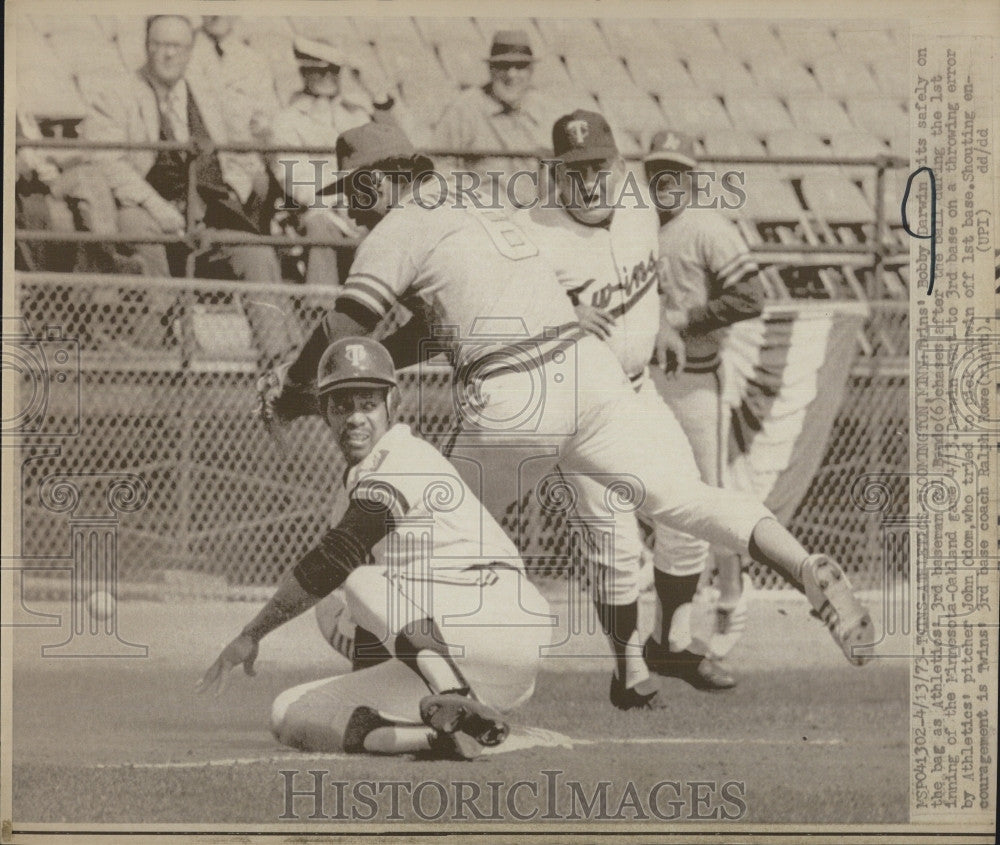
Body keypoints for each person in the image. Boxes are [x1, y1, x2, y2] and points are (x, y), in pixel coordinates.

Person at [259, 122, 874, 710]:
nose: (352, 208)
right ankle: (804, 567)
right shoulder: (475, 196)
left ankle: (393, 688)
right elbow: (432, 329)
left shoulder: (397, 227)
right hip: (589, 371)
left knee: (400, 535)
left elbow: (346, 327)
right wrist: (334, 379)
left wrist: (292, 391)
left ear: (379, 182)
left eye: (354, 192)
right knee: (685, 500)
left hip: (515, 392)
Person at [199, 337, 551, 760]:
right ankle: (456, 732)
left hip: (495, 612)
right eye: (341, 406)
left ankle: (453, 694)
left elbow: (339, 555)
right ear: (326, 415)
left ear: (392, 406)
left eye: (367, 403)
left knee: (357, 580)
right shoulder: (352, 489)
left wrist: (251, 634)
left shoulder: (401, 454)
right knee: (289, 714)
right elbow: (368, 622)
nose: (354, 418)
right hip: (464, 652)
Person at [520, 110, 737, 692]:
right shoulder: (532, 234)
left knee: (686, 517)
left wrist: (663, 322)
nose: (587, 181)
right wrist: (555, 317)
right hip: (582, 406)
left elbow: (651, 278)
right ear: (553, 173)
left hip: (640, 391)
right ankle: (628, 671)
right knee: (615, 545)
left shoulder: (640, 205)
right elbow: (496, 314)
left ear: (617, 165)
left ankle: (672, 644)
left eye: (597, 166)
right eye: (573, 170)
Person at [644, 130, 767, 682]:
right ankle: (671, 616)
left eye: (676, 173)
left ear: (692, 179)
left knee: (710, 493)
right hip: (648, 380)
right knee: (653, 493)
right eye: (658, 172)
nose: (666, 183)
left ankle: (733, 595)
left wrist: (686, 320)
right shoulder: (635, 229)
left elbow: (750, 296)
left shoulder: (709, 227)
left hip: (697, 380)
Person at [85, 15, 280, 282]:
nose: (168, 55)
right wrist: (156, 206)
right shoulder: (116, 95)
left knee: (257, 255)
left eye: (177, 47)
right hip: (146, 211)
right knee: (137, 232)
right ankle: (158, 321)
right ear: (146, 46)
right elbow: (108, 162)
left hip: (208, 216)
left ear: (190, 52)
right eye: (160, 45)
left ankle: (280, 325)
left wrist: (235, 189)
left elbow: (238, 148)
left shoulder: (209, 95)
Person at [270, 37, 399, 285]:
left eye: (334, 70)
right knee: (320, 229)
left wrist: (377, 93)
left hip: (364, 207)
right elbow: (295, 179)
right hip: (318, 210)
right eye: (319, 70)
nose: (328, 76)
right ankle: (320, 312)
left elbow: (394, 151)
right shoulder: (287, 121)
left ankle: (397, 317)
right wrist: (341, 200)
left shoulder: (357, 113)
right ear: (304, 71)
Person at [188, 14, 281, 235]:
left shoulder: (253, 62)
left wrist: (262, 172)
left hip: (249, 178)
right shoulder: (186, 56)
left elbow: (266, 124)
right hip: (203, 176)